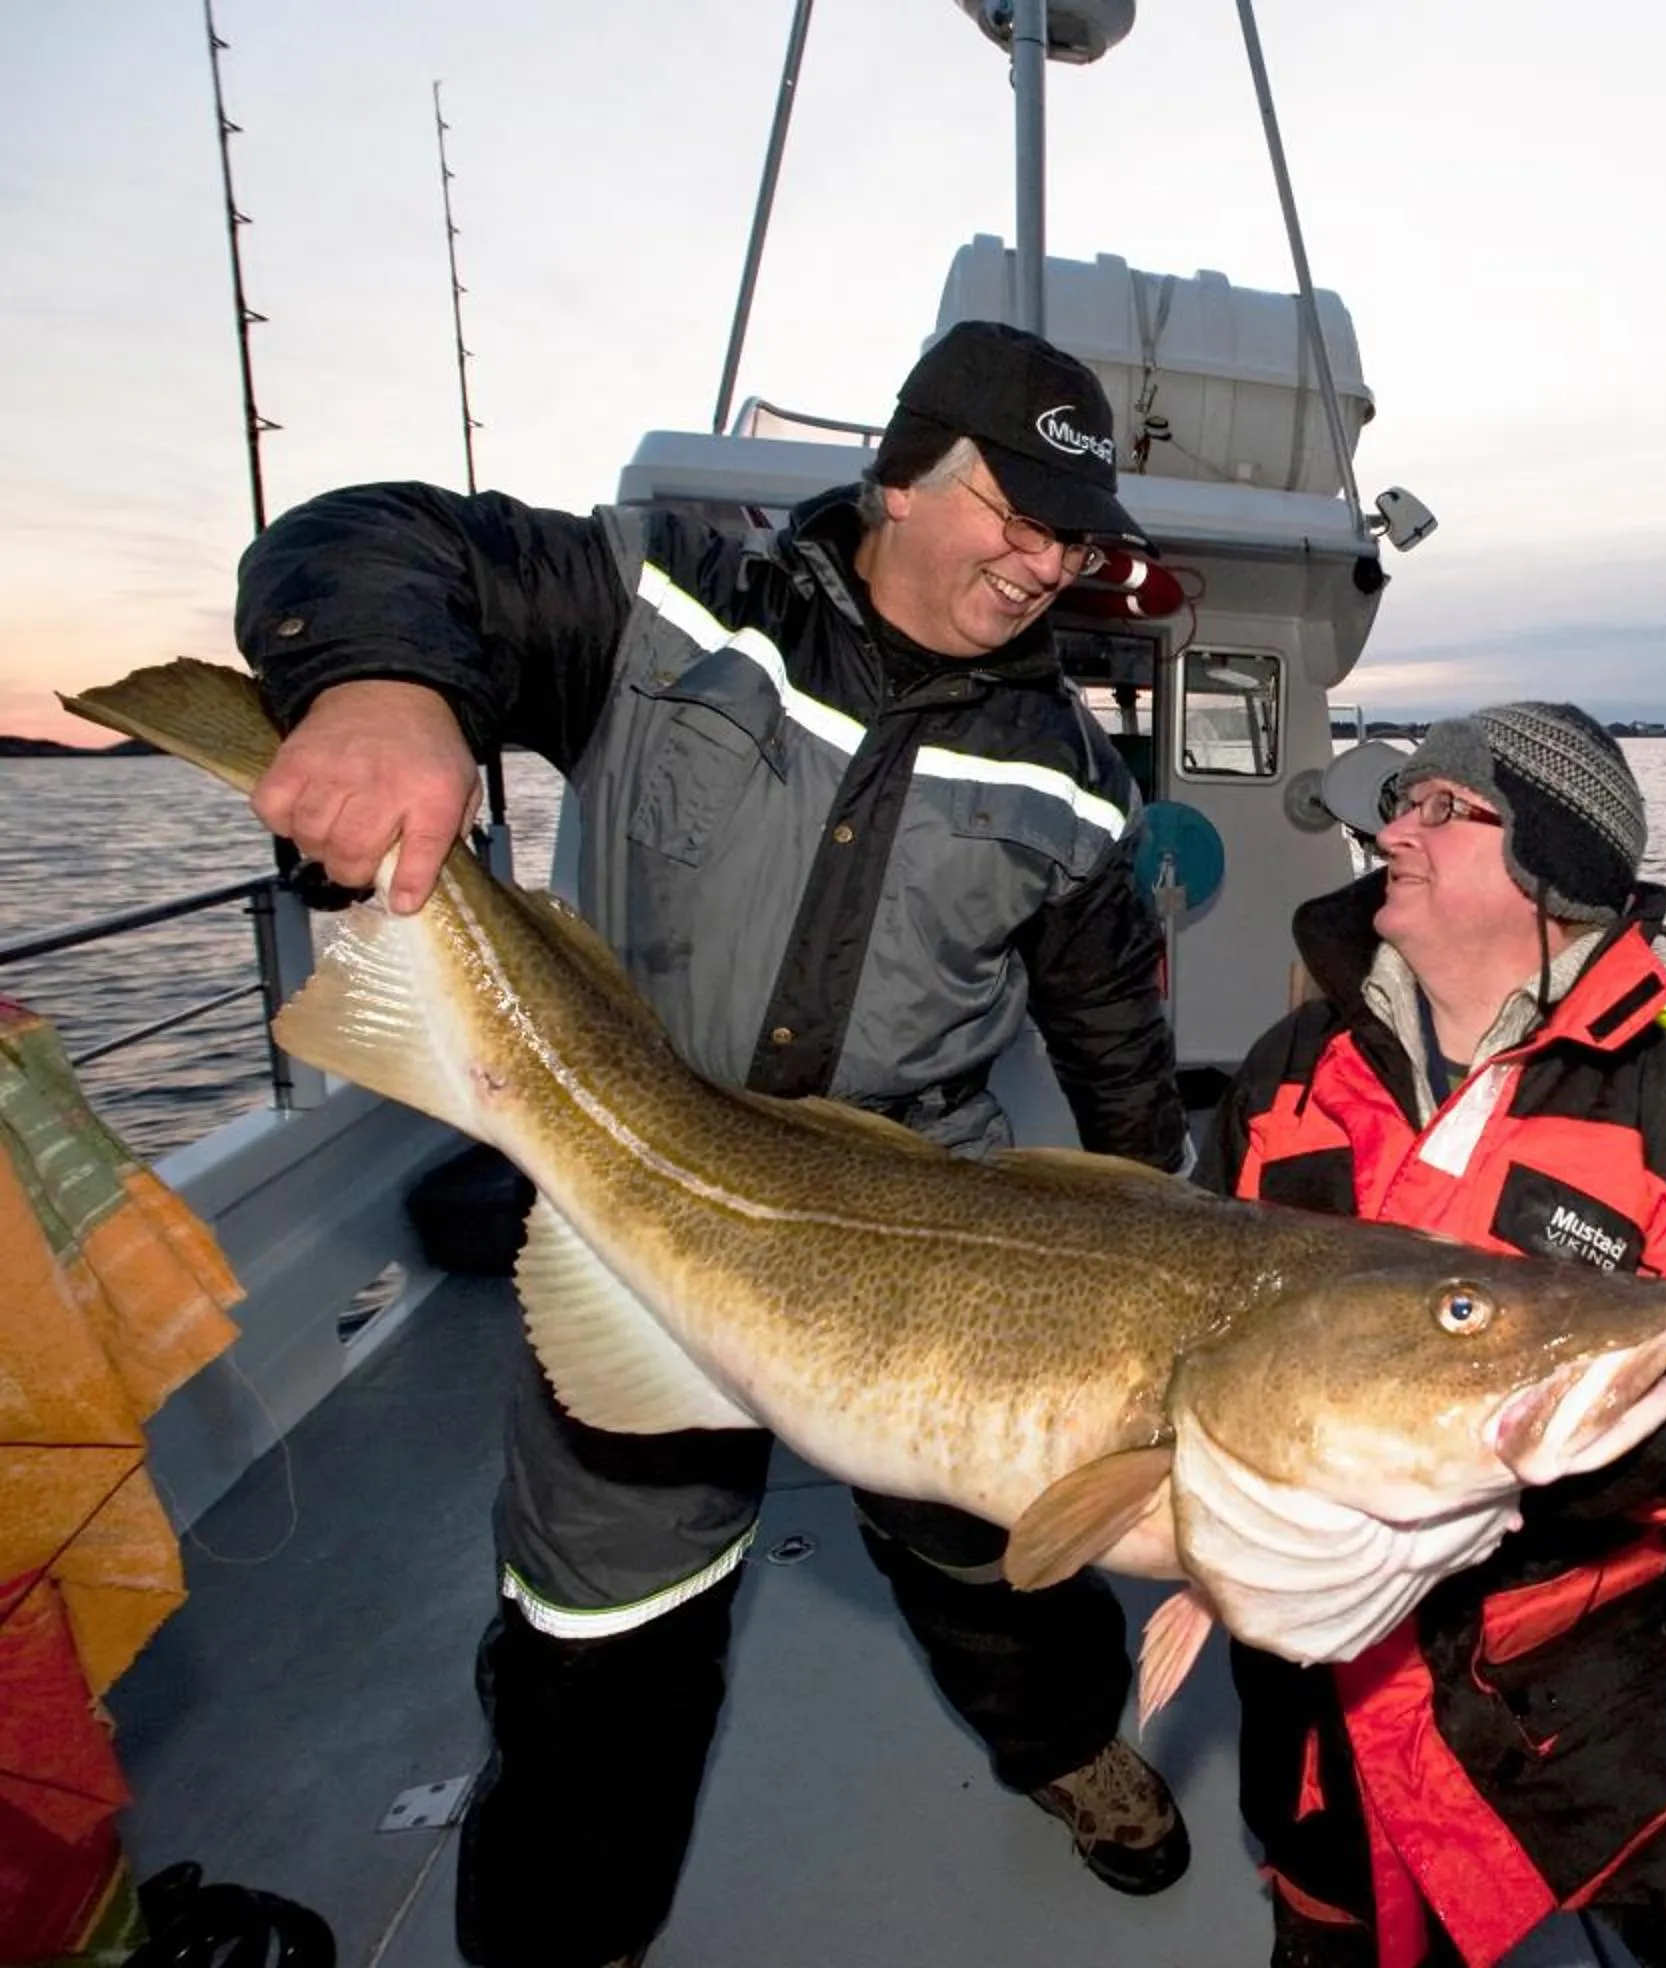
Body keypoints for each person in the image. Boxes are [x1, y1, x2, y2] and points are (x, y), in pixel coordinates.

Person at [236, 320, 1194, 1967]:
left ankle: (1064, 1748)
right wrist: (387, 686)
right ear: (905, 474)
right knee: (599, 1641)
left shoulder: (1076, 776)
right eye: (1014, 515)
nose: (1046, 565)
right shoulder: (676, 597)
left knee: (1008, 1568)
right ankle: (566, 1933)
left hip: (927, 1239)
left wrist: (1167, 1222)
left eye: (1073, 538)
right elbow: (369, 540)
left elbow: (1111, 1027)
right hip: (640, 1190)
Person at [1205, 703, 1666, 1968]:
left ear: (1551, 874)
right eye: (1401, 803)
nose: (1395, 829)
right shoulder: (1283, 1072)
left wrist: (1608, 1447)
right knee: (1332, 1934)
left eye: (1441, 809)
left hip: (1592, 1673)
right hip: (1318, 1671)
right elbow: (1203, 1317)